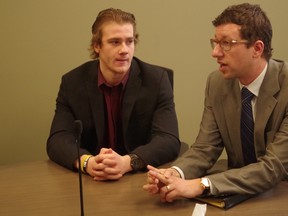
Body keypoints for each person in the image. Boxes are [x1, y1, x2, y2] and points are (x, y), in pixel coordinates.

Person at [143, 3, 288, 202]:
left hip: (280, 194)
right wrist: (175, 174)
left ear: (257, 48)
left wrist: (200, 184)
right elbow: (205, 147)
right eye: (215, 42)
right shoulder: (216, 83)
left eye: (227, 43)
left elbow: (273, 167)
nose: (216, 53)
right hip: (236, 194)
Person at [47, 8, 180, 181]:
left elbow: (169, 139)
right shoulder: (72, 83)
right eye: (115, 42)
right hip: (92, 180)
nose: (124, 50)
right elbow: (58, 139)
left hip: (139, 178)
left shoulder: (157, 80)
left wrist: (127, 162)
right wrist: (87, 162)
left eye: (129, 41)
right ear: (97, 45)